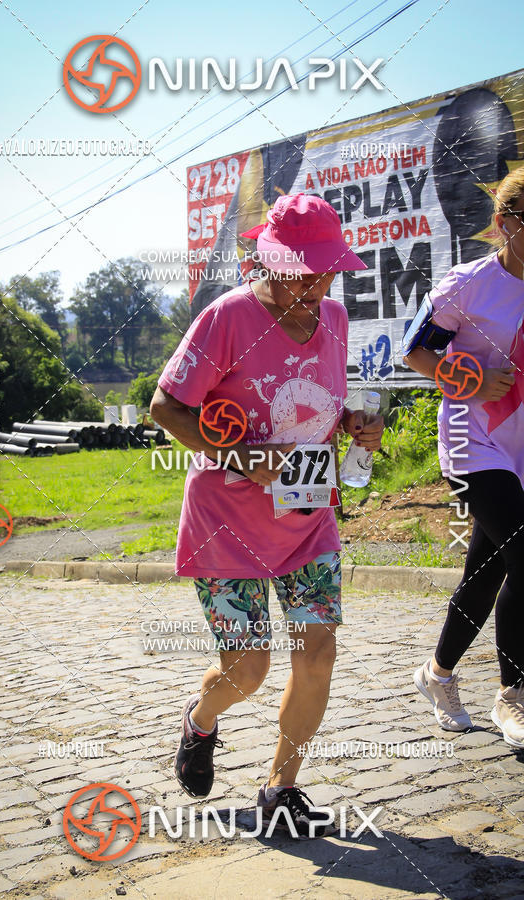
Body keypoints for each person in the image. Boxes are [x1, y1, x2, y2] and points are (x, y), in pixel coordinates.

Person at [151, 193, 384, 837]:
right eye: (302, 271)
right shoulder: (227, 318)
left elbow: (316, 408)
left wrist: (357, 424)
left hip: (308, 518)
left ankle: (282, 787)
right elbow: (166, 409)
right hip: (227, 521)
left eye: (327, 270)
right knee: (246, 669)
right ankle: (201, 721)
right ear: (267, 261)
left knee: (318, 654)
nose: (318, 284)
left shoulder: (332, 317)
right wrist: (240, 455)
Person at [403, 168, 524, 748]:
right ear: (505, 223)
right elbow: (416, 351)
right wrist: (473, 381)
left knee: (491, 569)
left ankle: (438, 673)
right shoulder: (469, 284)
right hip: (473, 442)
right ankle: (514, 696)